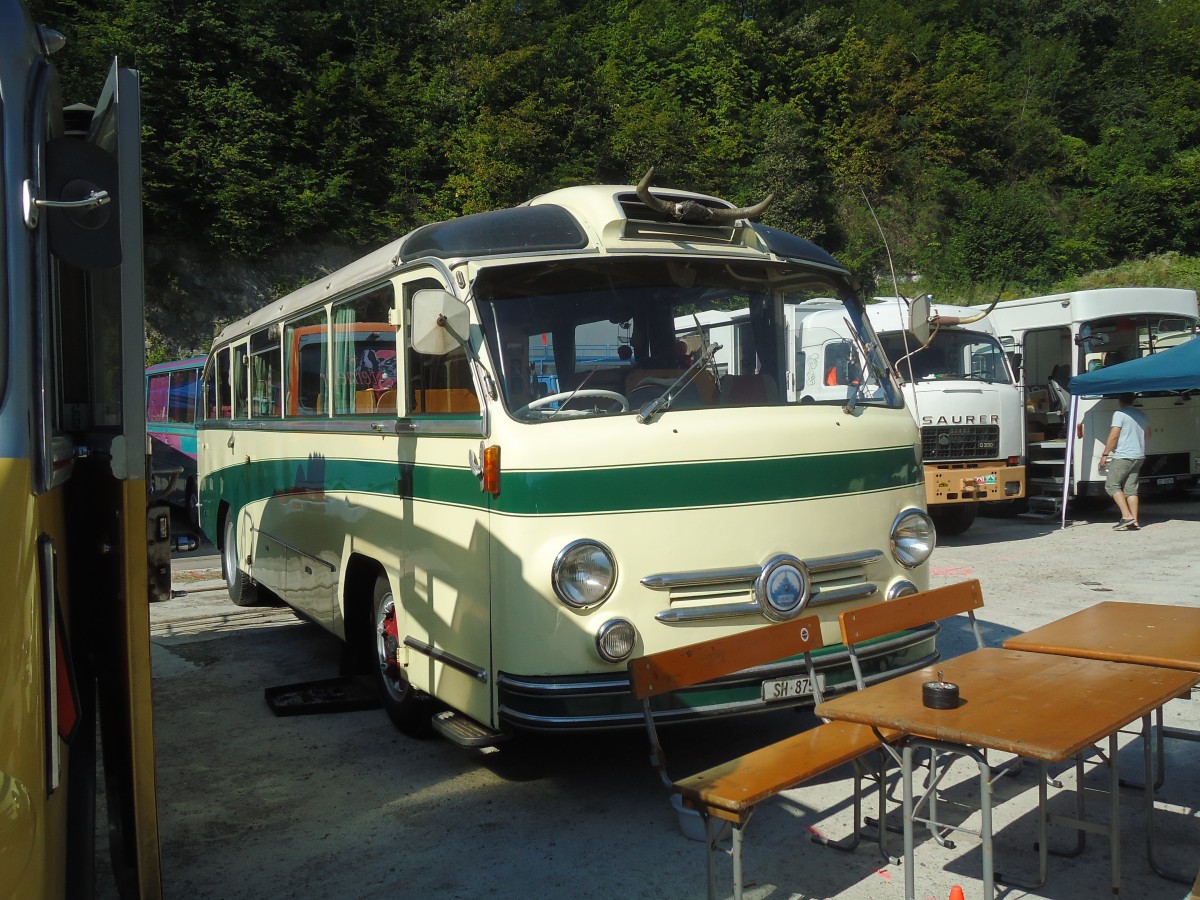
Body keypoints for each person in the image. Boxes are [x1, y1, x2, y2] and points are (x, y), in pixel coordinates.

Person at [1099, 392, 1150, 531]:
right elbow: (1148, 434)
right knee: (1131, 489)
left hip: (1123, 456)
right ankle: (1135, 521)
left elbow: (1114, 435)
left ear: (1120, 400)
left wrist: (1105, 454)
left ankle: (1126, 516)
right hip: (1139, 456)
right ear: (1133, 400)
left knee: (1112, 485)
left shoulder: (1119, 414)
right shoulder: (1141, 414)